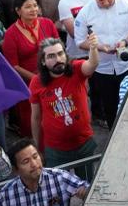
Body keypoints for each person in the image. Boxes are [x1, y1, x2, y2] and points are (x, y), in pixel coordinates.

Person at [72, 0, 128, 129]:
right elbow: (79, 41)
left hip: (127, 65)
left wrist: (125, 41)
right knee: (110, 107)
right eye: (100, 0)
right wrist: (99, 47)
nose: (105, 3)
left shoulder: (127, 5)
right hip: (102, 69)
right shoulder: (85, 13)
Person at [29, 37, 99, 182]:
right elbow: (35, 118)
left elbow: (92, 64)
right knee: (57, 194)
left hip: (83, 145)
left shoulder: (76, 69)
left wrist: (93, 48)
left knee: (86, 186)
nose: (58, 59)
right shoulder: (36, 82)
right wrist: (37, 148)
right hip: (55, 150)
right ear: (43, 61)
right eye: (51, 56)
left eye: (61, 54)